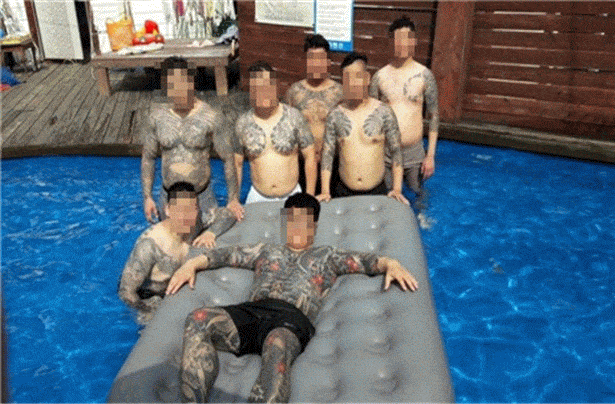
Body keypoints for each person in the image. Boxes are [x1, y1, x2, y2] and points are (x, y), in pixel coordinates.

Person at [166, 193, 418, 403]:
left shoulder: (327, 256)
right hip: (253, 312)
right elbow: (224, 255)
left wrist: (391, 264)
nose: (296, 227)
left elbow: (367, 260)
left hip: (290, 321)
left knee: (277, 343)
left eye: (303, 222)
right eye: (291, 220)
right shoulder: (266, 251)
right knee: (198, 318)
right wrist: (191, 265)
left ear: (315, 226)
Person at [141, 56, 243, 248]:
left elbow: (228, 158)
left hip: (202, 198)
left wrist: (233, 199)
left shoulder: (211, 116)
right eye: (173, 85)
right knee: (171, 248)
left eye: (182, 83)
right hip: (169, 199)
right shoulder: (156, 117)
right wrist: (147, 197)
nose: (178, 90)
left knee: (206, 244)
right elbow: (148, 158)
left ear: (191, 83)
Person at [118, 182, 233, 324]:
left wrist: (211, 233)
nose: (186, 217)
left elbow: (228, 214)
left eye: (191, 209)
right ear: (167, 210)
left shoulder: (196, 223)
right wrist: (149, 309)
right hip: (150, 296)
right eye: (180, 210)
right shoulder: (150, 245)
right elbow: (126, 291)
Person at [317, 53, 409, 205]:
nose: (353, 83)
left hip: (376, 191)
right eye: (348, 79)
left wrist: (397, 188)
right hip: (343, 190)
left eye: (357, 77)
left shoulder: (384, 112)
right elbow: (327, 154)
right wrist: (325, 191)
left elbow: (396, 151)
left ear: (366, 78)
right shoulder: (335, 115)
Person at [369, 17, 439, 196]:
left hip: (415, 153)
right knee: (386, 196)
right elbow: (370, 117)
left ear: (414, 41)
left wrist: (430, 156)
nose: (403, 44)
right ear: (391, 42)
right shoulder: (379, 77)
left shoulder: (425, 75)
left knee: (418, 193)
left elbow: (433, 117)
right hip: (386, 154)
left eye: (407, 39)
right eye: (398, 39)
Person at [234, 61, 316, 203]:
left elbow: (310, 156)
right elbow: (237, 164)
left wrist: (309, 196)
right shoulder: (242, 123)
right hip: (258, 197)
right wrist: (234, 199)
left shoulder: (294, 117)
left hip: (292, 196)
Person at [284, 34, 343, 195]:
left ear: (328, 62)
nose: (316, 64)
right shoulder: (294, 93)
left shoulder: (340, 93)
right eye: (311, 59)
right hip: (302, 166)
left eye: (320, 60)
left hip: (332, 167)